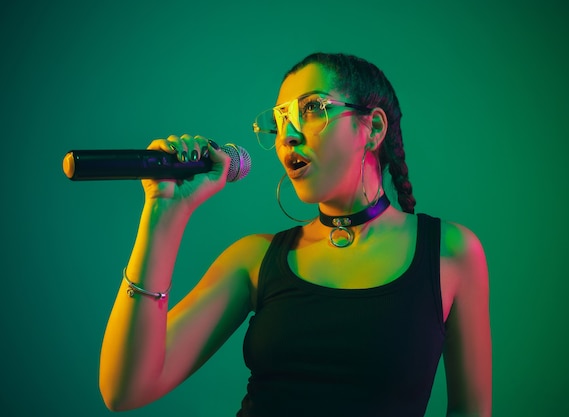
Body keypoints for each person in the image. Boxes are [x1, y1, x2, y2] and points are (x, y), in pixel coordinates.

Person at [99, 52, 492, 417]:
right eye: (280, 120)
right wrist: (164, 212)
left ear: (371, 128)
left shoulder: (450, 253)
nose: (287, 135)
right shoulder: (255, 259)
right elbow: (126, 389)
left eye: (311, 109)